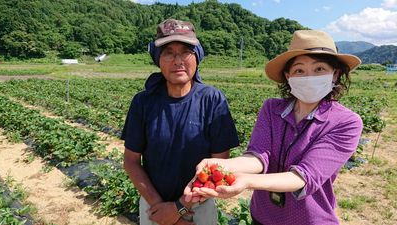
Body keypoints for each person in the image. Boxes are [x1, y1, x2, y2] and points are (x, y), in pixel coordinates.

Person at [184, 30, 363, 225]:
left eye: (319, 69)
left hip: (309, 220)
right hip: (262, 216)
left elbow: (304, 177)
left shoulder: (346, 122)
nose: (308, 77)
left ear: (335, 74)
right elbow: (258, 156)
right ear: (288, 76)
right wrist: (221, 165)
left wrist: (246, 181)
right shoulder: (272, 109)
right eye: (299, 70)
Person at [121, 19, 239, 225]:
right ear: (158, 59)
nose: (178, 60)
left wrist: (180, 208)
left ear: (197, 57)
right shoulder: (143, 102)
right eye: (168, 52)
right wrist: (163, 209)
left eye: (186, 51)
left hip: (198, 208)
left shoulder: (212, 100)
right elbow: (131, 161)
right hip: (153, 207)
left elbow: (217, 166)